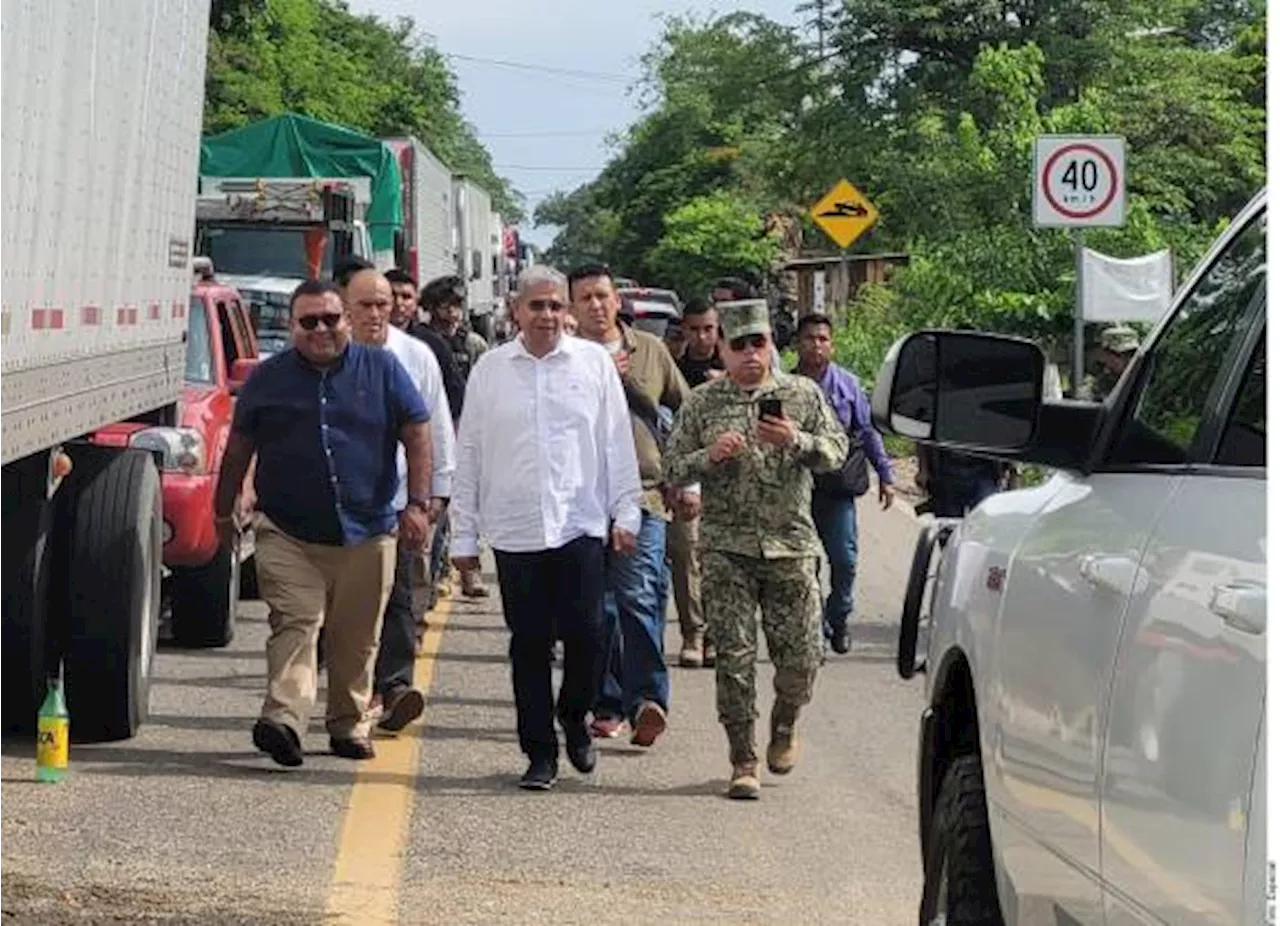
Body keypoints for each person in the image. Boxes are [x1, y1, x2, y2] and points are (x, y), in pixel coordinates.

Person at [213, 279, 432, 767]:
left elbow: (417, 431)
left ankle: (348, 724)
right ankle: (284, 720)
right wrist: (223, 511)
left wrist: (418, 503)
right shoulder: (268, 380)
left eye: (329, 319)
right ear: (292, 327)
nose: (320, 330)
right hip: (289, 532)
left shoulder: (382, 368)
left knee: (356, 637)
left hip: (369, 531)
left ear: (347, 321)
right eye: (307, 321)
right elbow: (237, 451)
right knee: (297, 622)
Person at [451, 265, 642, 790]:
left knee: (589, 633)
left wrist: (627, 510)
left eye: (556, 306)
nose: (548, 316)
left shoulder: (593, 365)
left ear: (569, 312)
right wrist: (464, 535)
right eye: (537, 306)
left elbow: (615, 442)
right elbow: (469, 453)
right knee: (530, 643)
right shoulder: (490, 370)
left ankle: (573, 715)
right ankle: (539, 752)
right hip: (515, 529)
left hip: (580, 521)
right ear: (516, 311)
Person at [665, 299, 847, 800]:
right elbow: (673, 467)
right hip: (727, 550)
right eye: (738, 344)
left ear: (771, 346)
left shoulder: (802, 395)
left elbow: (837, 452)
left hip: (791, 546)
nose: (749, 354)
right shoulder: (703, 403)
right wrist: (710, 455)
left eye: (758, 343)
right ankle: (743, 758)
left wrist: (796, 440)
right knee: (736, 662)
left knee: (802, 659)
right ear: (721, 347)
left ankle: (785, 723)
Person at [567, 263, 697, 746]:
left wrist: (688, 482)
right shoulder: (562, 357)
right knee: (594, 609)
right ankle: (606, 702)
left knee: (639, 597)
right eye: (586, 298)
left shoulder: (653, 351)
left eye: (603, 295)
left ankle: (648, 701)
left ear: (617, 301)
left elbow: (685, 414)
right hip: (581, 499)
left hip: (643, 493)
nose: (597, 306)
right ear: (573, 307)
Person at [341, 265, 456, 733]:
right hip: (341, 505)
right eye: (364, 305)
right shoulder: (327, 357)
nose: (375, 315)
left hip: (400, 501)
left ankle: (394, 686)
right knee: (351, 603)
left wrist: (435, 496)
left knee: (400, 595)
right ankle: (355, 687)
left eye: (382, 305)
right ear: (345, 308)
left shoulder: (417, 356)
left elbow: (437, 426)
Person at [792, 314, 895, 655]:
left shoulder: (848, 385)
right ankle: (815, 627)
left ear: (831, 344)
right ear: (798, 344)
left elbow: (867, 432)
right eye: (809, 338)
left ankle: (839, 617)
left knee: (845, 560)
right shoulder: (784, 385)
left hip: (836, 488)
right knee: (805, 564)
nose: (816, 345)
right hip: (796, 488)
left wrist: (886, 476)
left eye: (822, 339)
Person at [417, 274, 490, 601]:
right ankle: (438, 571)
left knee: (467, 504)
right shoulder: (420, 342)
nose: (452, 313)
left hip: (466, 429)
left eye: (457, 306)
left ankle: (467, 571)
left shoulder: (473, 344)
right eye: (445, 306)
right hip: (428, 430)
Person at [385, 267, 467, 422]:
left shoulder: (432, 345)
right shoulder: (360, 341)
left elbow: (455, 399)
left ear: (416, 302)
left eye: (406, 297)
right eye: (392, 295)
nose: (398, 303)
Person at [423, 274, 489, 383]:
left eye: (457, 303)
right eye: (445, 304)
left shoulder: (473, 343)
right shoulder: (423, 342)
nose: (452, 310)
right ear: (431, 307)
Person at [711, 278, 782, 375]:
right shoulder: (709, 337)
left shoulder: (759, 341)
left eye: (724, 301)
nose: (718, 307)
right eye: (715, 301)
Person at [1082, 324, 1140, 400]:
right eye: (1120, 355)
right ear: (1104, 355)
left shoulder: (1143, 378)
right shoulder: (1095, 387)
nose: (1128, 359)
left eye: (1132, 354)